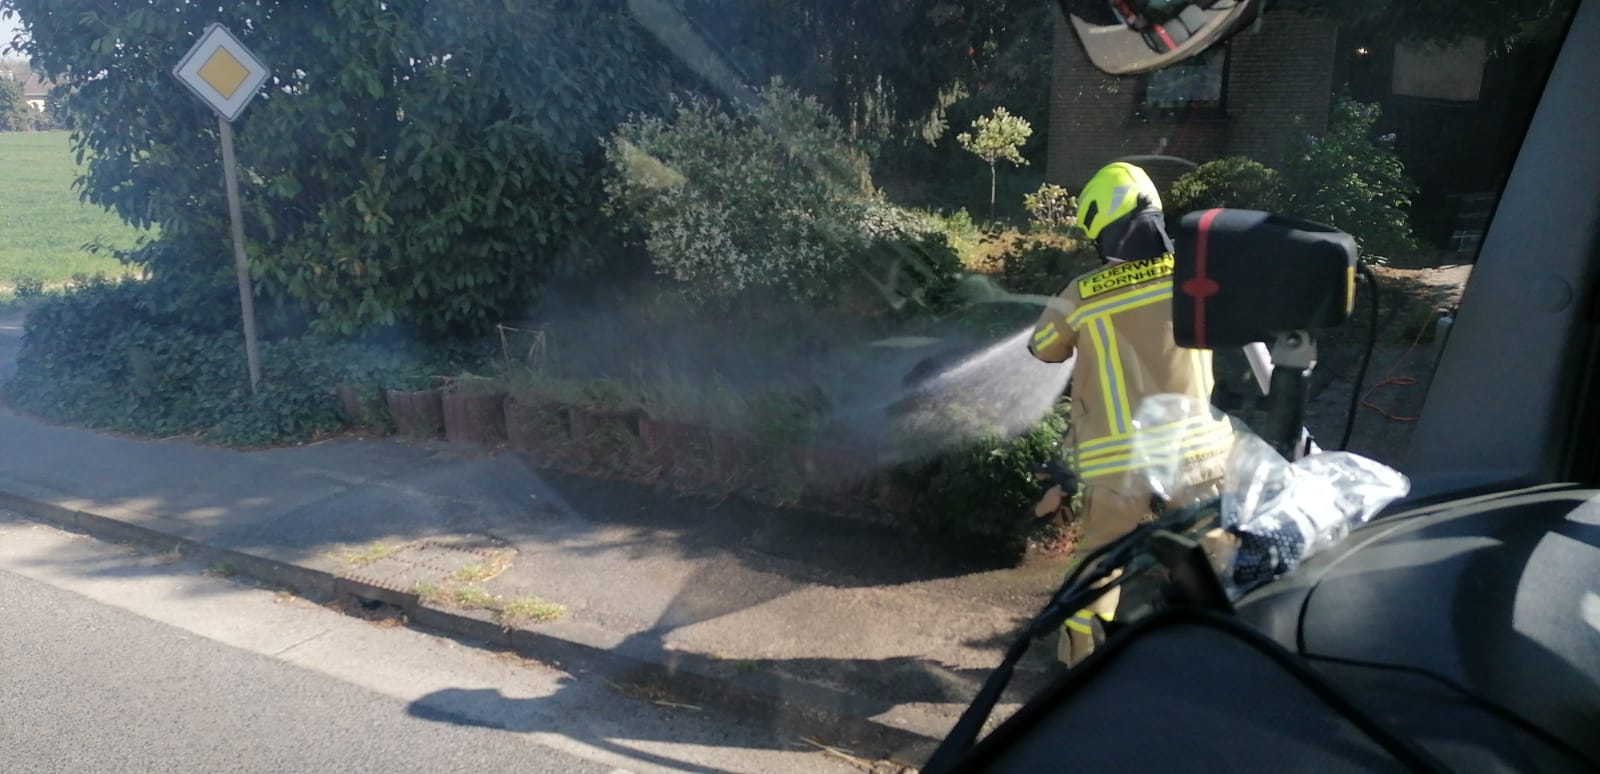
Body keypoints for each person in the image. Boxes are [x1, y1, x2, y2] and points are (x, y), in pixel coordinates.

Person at [1027, 162, 1234, 665]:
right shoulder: (1195, 277)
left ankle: (1079, 668)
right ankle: (1221, 658)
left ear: (1104, 226)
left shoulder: (1082, 293)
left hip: (1116, 465)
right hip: (1197, 454)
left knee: (1099, 569)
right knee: (1215, 561)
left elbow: (1042, 348)